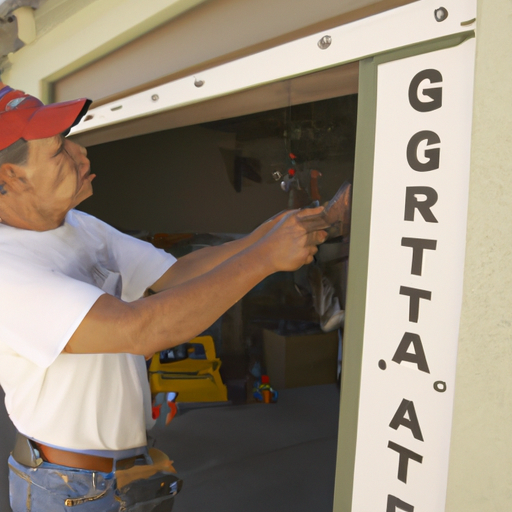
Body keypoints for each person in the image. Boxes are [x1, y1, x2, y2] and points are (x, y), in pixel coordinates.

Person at [0, 82, 328, 511]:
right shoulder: (8, 269)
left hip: (122, 472)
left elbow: (175, 275)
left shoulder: (82, 226)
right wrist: (266, 257)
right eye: (60, 148)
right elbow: (142, 329)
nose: (81, 153)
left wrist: (271, 232)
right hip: (70, 489)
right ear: (11, 176)